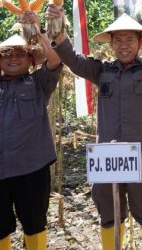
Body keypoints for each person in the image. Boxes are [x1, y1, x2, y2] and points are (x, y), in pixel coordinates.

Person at [47, 0, 142, 250]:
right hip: (108, 153)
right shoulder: (101, 71)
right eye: (118, 40)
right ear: (111, 44)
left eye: (130, 40)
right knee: (108, 210)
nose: (124, 46)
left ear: (140, 42)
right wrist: (57, 27)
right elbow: (72, 58)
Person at [0, 13, 61, 250]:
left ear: (31, 60)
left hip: (32, 169)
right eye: (6, 54)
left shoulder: (38, 83)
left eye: (20, 53)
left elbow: (55, 59)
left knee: (35, 224)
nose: (14, 58)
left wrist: (39, 30)